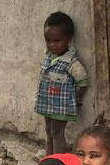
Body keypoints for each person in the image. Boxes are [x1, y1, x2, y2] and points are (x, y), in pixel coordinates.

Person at [34, 12, 88, 155]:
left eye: (57, 41)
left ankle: (57, 162)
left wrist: (77, 97)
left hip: (61, 105)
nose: (52, 45)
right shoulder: (48, 57)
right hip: (47, 102)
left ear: (69, 39)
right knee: (48, 131)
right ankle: (49, 159)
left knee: (57, 133)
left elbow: (82, 80)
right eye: (48, 40)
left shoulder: (71, 62)